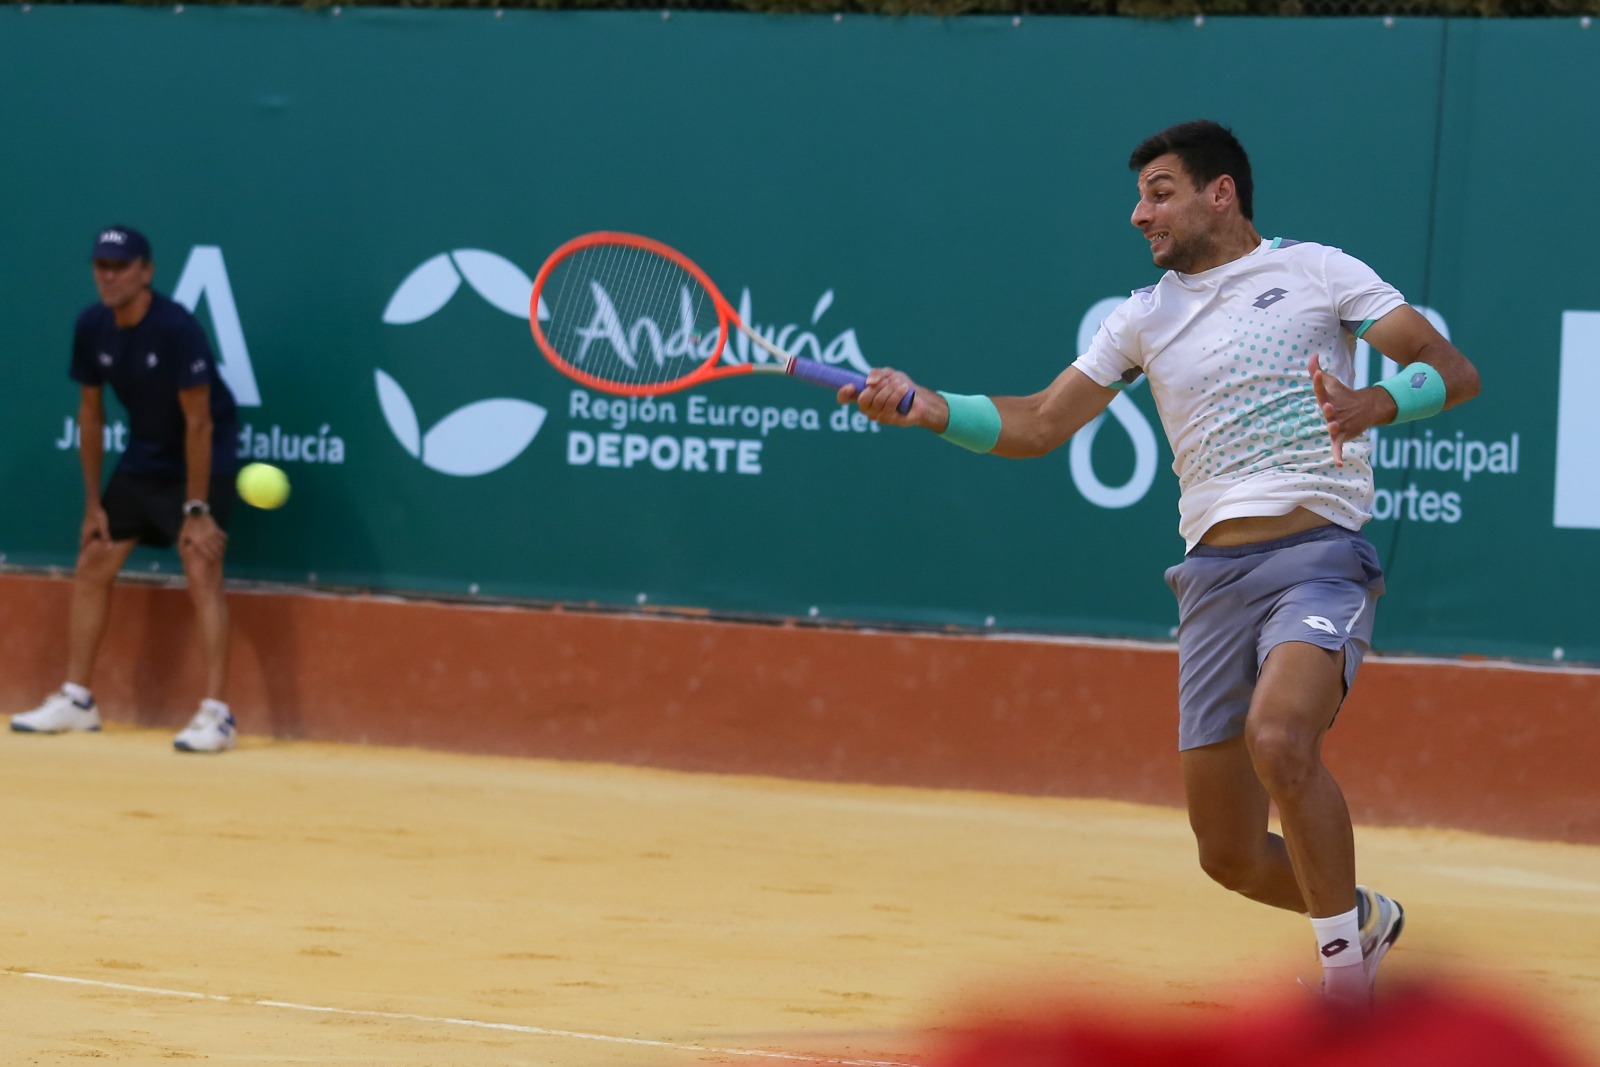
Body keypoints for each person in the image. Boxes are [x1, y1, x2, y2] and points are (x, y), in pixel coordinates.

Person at [846, 120, 1480, 1004]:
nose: (1140, 213)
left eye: (1160, 191)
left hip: (1317, 558)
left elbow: (1450, 370)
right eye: (1141, 195)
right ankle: (1363, 917)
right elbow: (1038, 422)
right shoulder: (1140, 319)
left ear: (1221, 192)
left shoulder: (1318, 272)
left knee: (1279, 736)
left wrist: (1373, 399)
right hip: (1213, 583)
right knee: (1226, 853)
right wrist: (925, 405)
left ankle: (1346, 989)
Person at [11, 226, 242, 754]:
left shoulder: (176, 328)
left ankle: (218, 715)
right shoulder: (91, 326)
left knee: (200, 567)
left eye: (120, 266)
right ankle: (78, 700)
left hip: (199, 459)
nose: (108, 276)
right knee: (94, 560)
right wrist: (93, 504)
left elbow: (200, 423)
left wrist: (198, 508)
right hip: (142, 460)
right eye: (101, 266)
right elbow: (90, 416)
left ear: (146, 271)